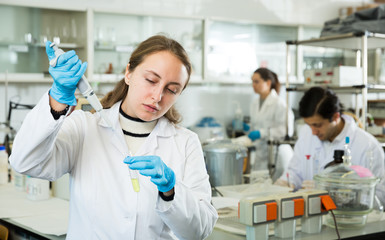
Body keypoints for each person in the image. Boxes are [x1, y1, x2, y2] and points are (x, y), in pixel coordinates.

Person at [10, 35, 218, 239]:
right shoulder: (85, 127)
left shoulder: (185, 142)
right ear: (129, 73)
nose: (157, 97)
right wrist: (57, 97)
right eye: (151, 80)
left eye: (172, 90)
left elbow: (199, 230)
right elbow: (24, 162)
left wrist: (171, 191)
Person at [275, 87, 385, 206]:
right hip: (311, 215)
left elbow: (380, 196)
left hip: (347, 219)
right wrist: (286, 182)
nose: (313, 132)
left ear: (335, 117)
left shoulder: (367, 146)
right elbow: (295, 171)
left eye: (317, 125)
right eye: (309, 125)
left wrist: (338, 194)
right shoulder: (307, 133)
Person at [242, 67, 294, 182]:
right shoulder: (255, 103)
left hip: (277, 156)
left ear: (268, 83)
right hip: (261, 154)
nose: (253, 85)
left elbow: (286, 130)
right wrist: (248, 129)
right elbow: (257, 126)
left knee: (275, 192)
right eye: (252, 81)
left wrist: (261, 133)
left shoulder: (279, 103)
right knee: (259, 189)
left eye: (257, 81)